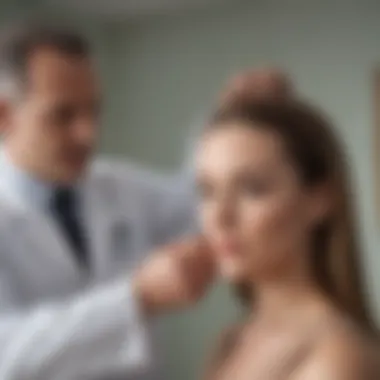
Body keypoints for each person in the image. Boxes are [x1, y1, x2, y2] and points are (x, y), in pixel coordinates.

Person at [0, 22, 216, 380]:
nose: (89, 133)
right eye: (63, 115)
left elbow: (197, 203)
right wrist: (135, 299)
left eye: (94, 111)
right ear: (5, 116)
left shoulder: (116, 185)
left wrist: (221, 120)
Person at [195, 96, 379, 379]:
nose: (220, 217)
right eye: (207, 191)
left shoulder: (339, 355)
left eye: (251, 189)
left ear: (320, 199)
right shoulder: (232, 340)